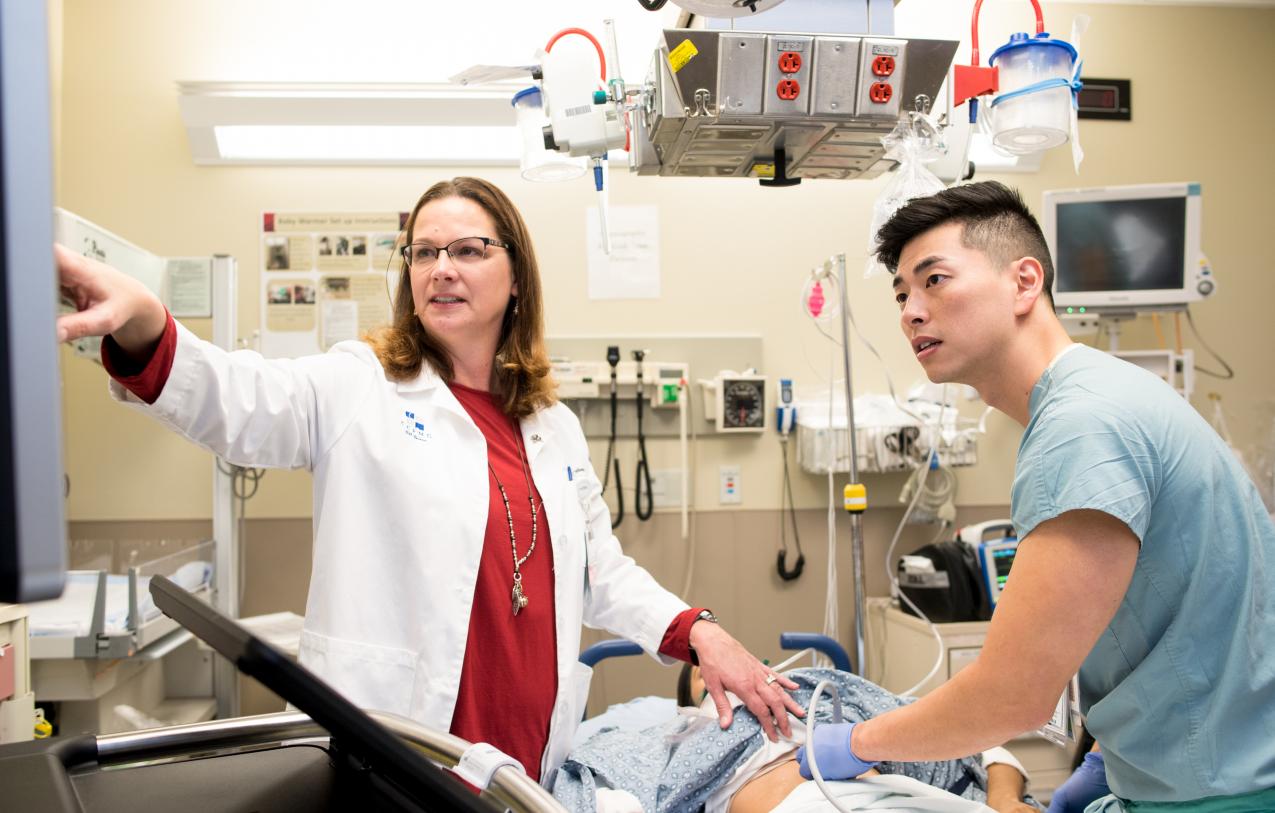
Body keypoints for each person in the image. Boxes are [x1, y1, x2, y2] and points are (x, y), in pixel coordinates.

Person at [54, 176, 802, 784]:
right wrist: (147, 322)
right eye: (423, 252)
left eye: (468, 249)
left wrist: (696, 630)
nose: (441, 267)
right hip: (401, 743)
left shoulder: (549, 424)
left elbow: (597, 570)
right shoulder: (360, 385)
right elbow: (239, 400)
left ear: (516, 278)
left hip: (523, 759)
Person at [795, 181, 1275, 810]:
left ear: (1025, 282)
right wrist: (1105, 758)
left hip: (1219, 792)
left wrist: (857, 743)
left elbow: (1011, 697)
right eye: (902, 294)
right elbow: (1182, 615)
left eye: (934, 280)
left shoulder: (1082, 428)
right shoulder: (1107, 395)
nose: (911, 311)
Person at [555, 665, 1041, 813]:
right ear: (691, 707)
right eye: (708, 682)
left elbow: (983, 747)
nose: (729, 681)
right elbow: (608, 784)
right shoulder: (677, 735)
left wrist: (1005, 802)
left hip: (903, 799)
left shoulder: (836, 701)